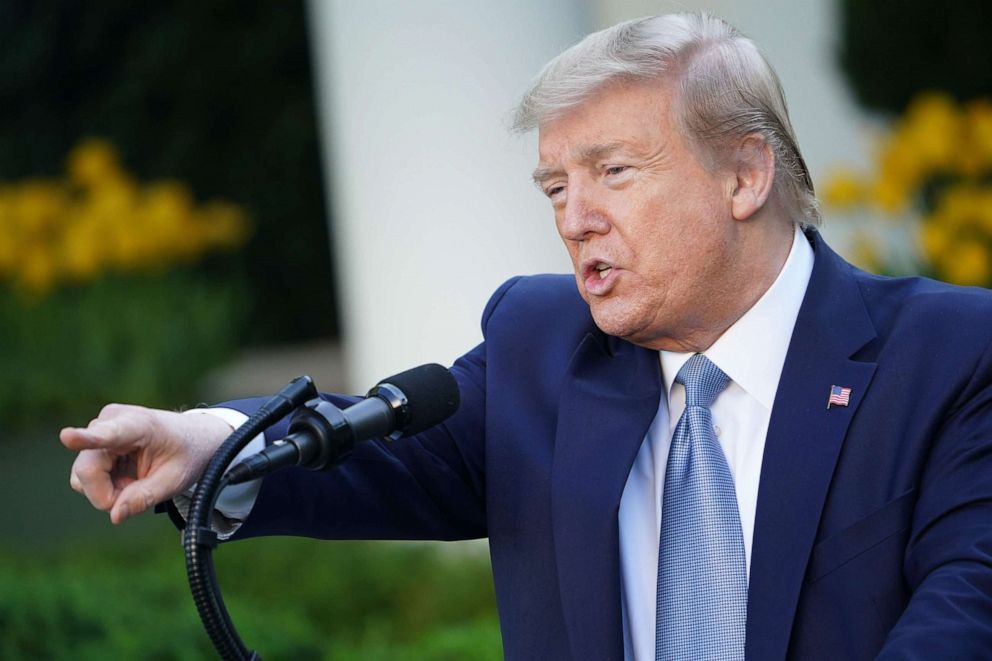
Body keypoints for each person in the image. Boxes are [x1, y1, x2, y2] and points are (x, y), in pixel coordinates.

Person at [61, 12, 992, 661]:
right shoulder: (544, 343)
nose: (575, 218)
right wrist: (210, 443)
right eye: (554, 188)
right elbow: (370, 444)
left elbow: (967, 611)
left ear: (744, 176)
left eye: (613, 171)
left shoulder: (950, 356)